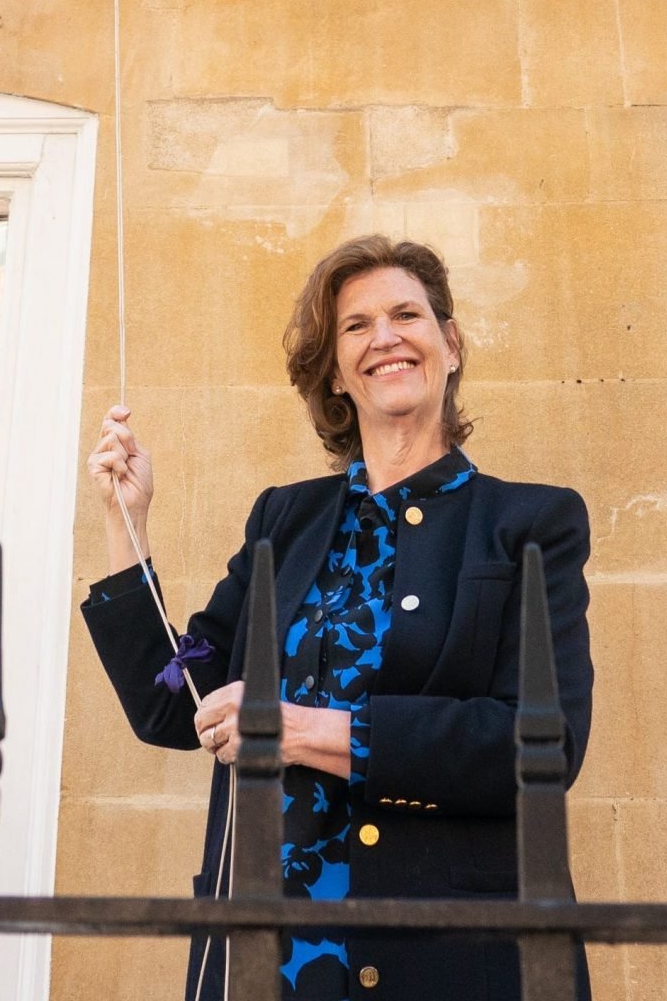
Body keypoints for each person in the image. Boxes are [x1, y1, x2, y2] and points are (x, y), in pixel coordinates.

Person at [82, 234, 595, 1001]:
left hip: (456, 962)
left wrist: (302, 731)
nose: (384, 337)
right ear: (333, 370)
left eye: (406, 315)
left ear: (449, 345)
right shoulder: (284, 520)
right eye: (356, 326)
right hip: (272, 958)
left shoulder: (529, 523)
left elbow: (541, 744)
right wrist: (128, 523)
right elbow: (173, 701)